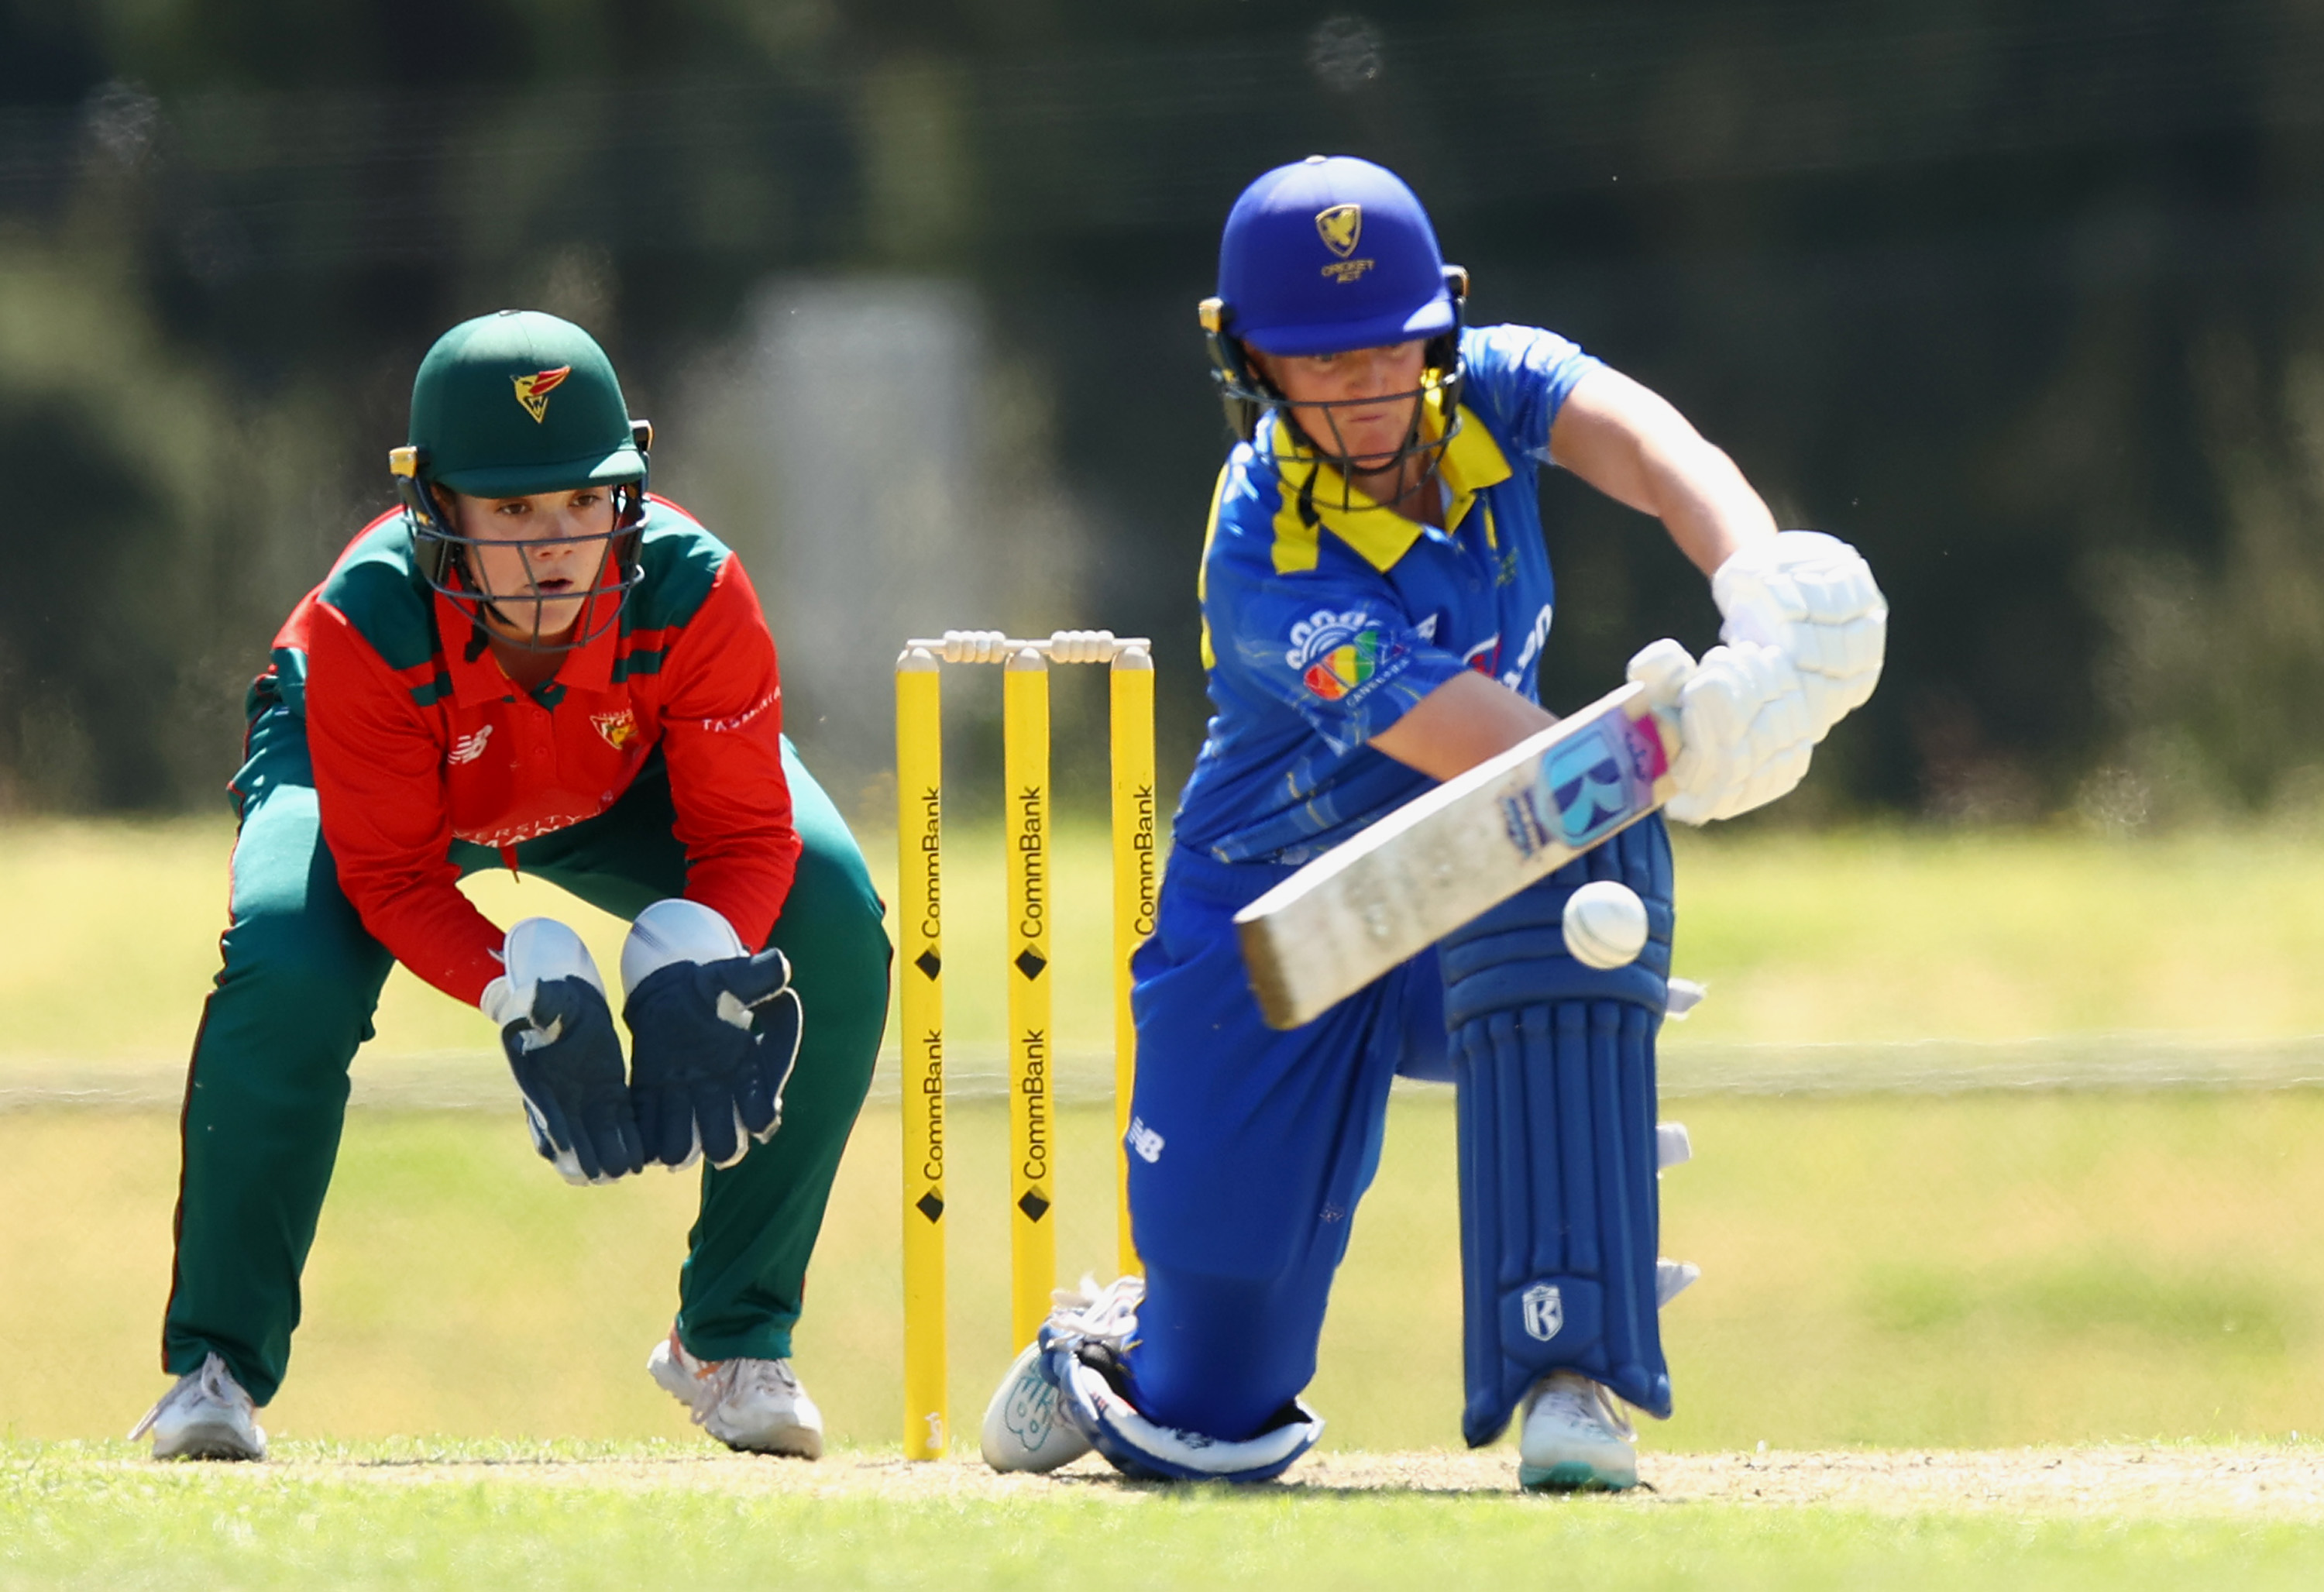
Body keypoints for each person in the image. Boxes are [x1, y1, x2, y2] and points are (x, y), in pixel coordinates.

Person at [979, 156, 1884, 1490]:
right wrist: (1682, 747)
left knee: (1579, 879)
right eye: (1318, 362)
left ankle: (1573, 1379)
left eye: (1389, 352)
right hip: (1273, 937)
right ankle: (1121, 1352)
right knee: (1215, 1428)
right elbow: (1485, 743)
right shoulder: (1263, 550)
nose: (1362, 390)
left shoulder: (1497, 387)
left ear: (1439, 329)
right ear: (1253, 363)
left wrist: (1761, 579)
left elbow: (1652, 446)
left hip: (1470, 886)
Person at [129, 310, 890, 1462]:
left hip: (616, 769)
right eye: (515, 509)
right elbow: (387, 871)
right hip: (382, 768)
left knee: (831, 918)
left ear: (626, 495)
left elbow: (745, 834)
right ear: (435, 506)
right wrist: (517, 983)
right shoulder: (366, 619)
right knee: (288, 960)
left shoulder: (694, 590)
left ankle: (732, 1342)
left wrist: (700, 949)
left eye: (585, 503)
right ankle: (216, 1369)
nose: (555, 546)